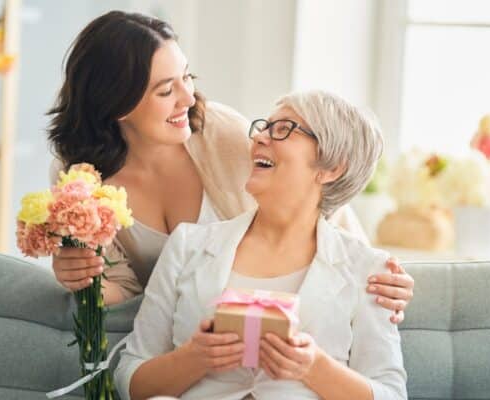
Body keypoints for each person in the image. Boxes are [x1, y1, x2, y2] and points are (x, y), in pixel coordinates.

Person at [47, 11, 414, 323]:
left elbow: (315, 200)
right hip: (184, 334)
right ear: (117, 105)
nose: (188, 98)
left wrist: (375, 276)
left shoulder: (220, 131)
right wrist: (82, 279)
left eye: (186, 77)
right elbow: (126, 292)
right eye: (165, 91)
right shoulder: (78, 179)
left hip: (274, 318)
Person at [114, 90, 407, 400]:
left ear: (332, 168)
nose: (260, 139)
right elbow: (130, 378)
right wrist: (194, 358)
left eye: (283, 129)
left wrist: (314, 367)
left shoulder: (370, 269)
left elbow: (391, 394)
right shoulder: (188, 245)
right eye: (264, 127)